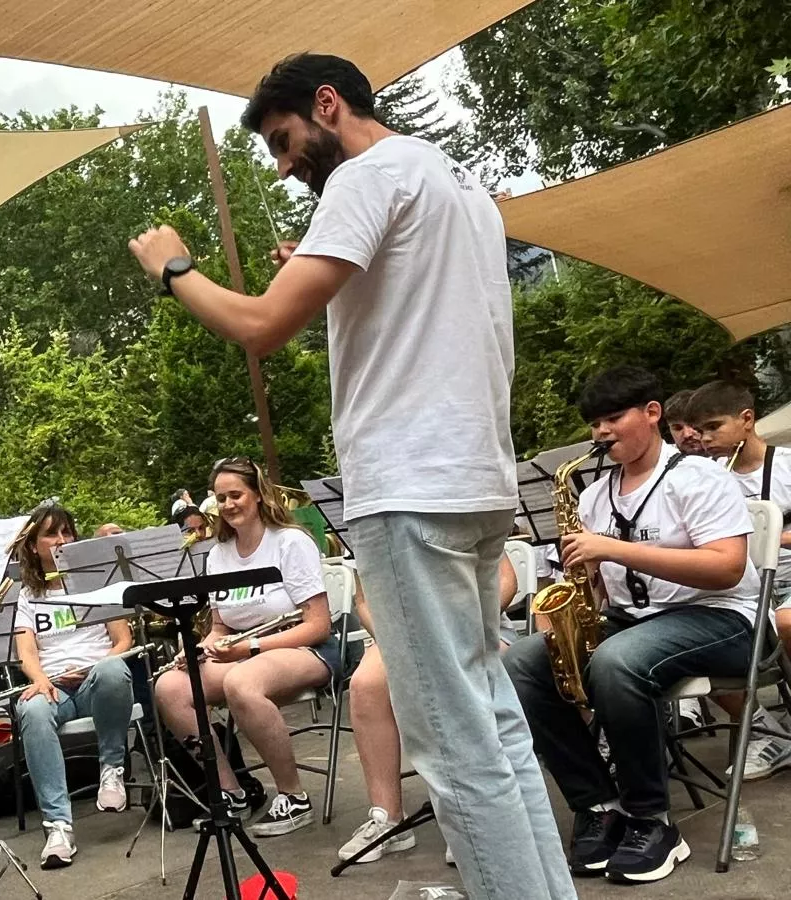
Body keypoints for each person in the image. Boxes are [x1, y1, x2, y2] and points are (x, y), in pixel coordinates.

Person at [128, 53, 573, 898]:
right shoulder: (455, 183)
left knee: (450, 745)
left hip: (409, 489)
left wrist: (174, 270)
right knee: (497, 726)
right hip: (475, 479)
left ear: (328, 104)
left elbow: (258, 325)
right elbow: (412, 304)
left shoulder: (366, 177)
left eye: (286, 141)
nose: (285, 163)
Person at [505, 367, 760, 884]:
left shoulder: (699, 477)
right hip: (635, 618)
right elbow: (598, 583)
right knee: (521, 664)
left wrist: (614, 549)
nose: (601, 433)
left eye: (612, 418)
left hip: (722, 615)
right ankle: (598, 806)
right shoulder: (595, 495)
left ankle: (653, 820)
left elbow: (727, 567)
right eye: (595, 423)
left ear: (652, 413)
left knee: (617, 662)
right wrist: (584, 585)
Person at [154, 457, 355, 838]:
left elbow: (318, 625)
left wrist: (250, 647)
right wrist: (200, 649)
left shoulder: (290, 541)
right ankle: (231, 794)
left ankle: (294, 798)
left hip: (303, 647)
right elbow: (219, 626)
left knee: (241, 682)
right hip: (245, 650)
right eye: (220, 498)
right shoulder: (218, 555)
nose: (228, 505)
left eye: (236, 495)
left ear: (258, 495)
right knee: (171, 688)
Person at [336, 556, 518, 865]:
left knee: (450, 675)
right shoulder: (369, 516)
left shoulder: (458, 505)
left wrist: (463, 627)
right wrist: (398, 640)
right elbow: (364, 601)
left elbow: (506, 580)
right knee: (366, 685)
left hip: (475, 627)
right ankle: (388, 819)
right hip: (400, 636)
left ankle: (470, 817)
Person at [10, 503, 135, 868]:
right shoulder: (26, 595)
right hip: (55, 687)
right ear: (33, 545)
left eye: (67, 533)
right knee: (30, 709)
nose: (62, 541)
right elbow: (26, 652)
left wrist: (93, 665)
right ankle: (58, 826)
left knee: (113, 670)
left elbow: (123, 640)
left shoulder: (97, 582)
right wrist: (41, 680)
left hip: (98, 678)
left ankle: (112, 769)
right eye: (51, 534)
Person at [688, 379, 791, 778]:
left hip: (786, 581)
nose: (705, 438)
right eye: (700, 431)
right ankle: (767, 732)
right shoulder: (705, 477)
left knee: (787, 621)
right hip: (745, 591)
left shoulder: (786, 465)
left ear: (746, 420)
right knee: (696, 638)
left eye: (714, 427)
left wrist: (771, 538)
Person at [664, 389, 705, 455]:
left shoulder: (726, 457)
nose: (687, 434)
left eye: (693, 425)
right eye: (678, 428)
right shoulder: (660, 459)